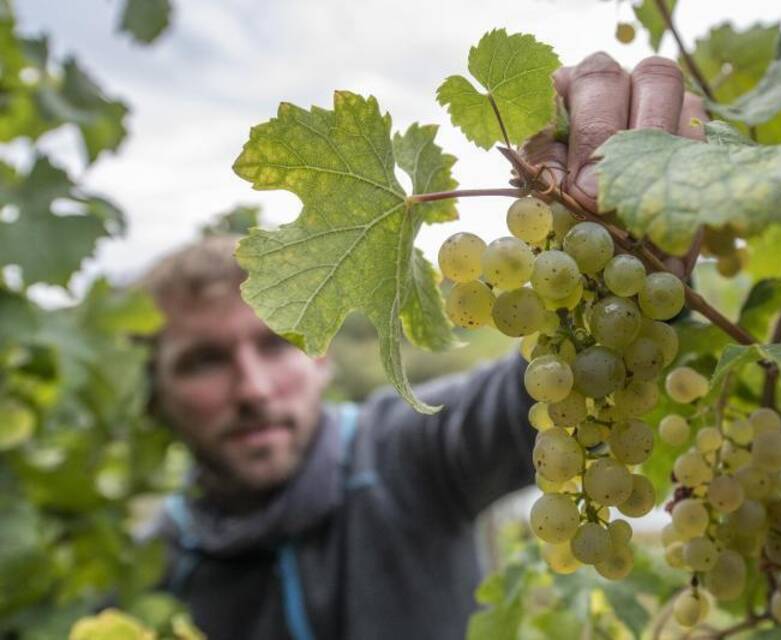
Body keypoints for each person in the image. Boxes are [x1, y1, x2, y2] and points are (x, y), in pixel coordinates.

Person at [143, 53, 707, 640]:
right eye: (203, 361)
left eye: (276, 344)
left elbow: (568, 380)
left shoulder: (407, 453)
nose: (253, 389)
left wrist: (629, 236)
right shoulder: (147, 568)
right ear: (156, 390)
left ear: (322, 356)